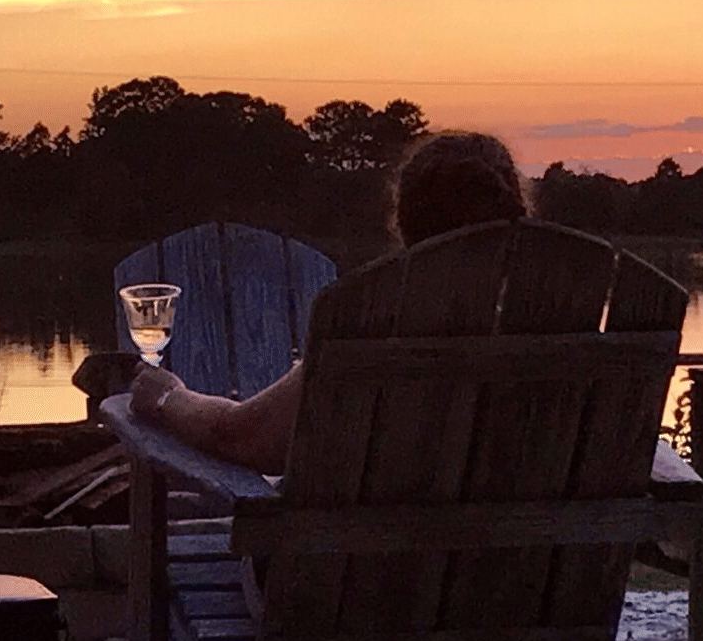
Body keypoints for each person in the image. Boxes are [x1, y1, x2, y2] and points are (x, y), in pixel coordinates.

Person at [128, 130, 529, 474]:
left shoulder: (371, 321)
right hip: (528, 564)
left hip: (367, 562)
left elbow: (238, 437)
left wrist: (169, 397)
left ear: (404, 223)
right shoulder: (555, 317)